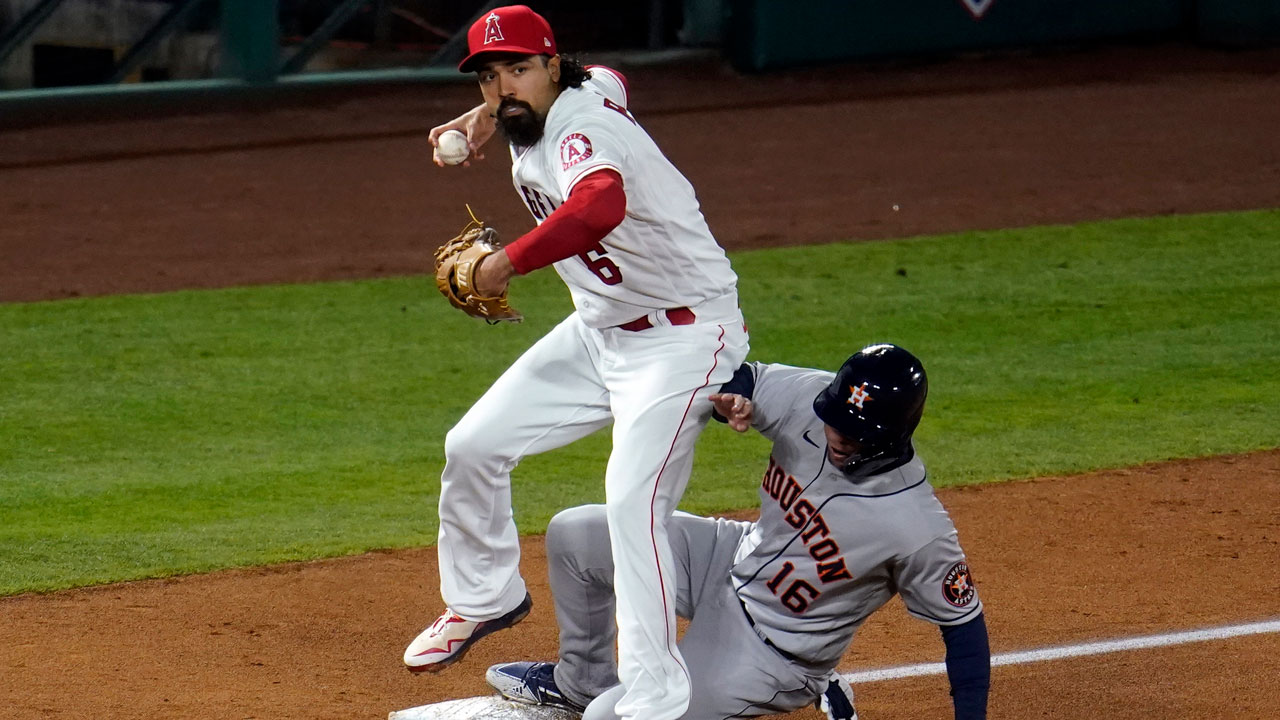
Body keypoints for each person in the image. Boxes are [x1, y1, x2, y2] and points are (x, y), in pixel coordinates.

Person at [402, 7, 750, 720]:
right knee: (472, 446)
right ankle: (483, 597)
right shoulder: (569, 95)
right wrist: (482, 116)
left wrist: (507, 261)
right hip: (600, 332)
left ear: (555, 67)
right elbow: (612, 79)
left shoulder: (582, 129)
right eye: (490, 76)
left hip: (683, 339)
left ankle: (654, 697)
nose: (505, 88)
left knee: (632, 503)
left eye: (520, 70)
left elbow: (600, 206)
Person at [483, 344, 991, 720]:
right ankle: (581, 683)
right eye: (834, 419)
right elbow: (745, 373)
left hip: (771, 650)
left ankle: (814, 684)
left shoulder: (916, 527)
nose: (834, 433)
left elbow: (964, 629)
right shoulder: (814, 401)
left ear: (890, 435)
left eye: (851, 432)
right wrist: (737, 397)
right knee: (576, 534)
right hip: (731, 558)